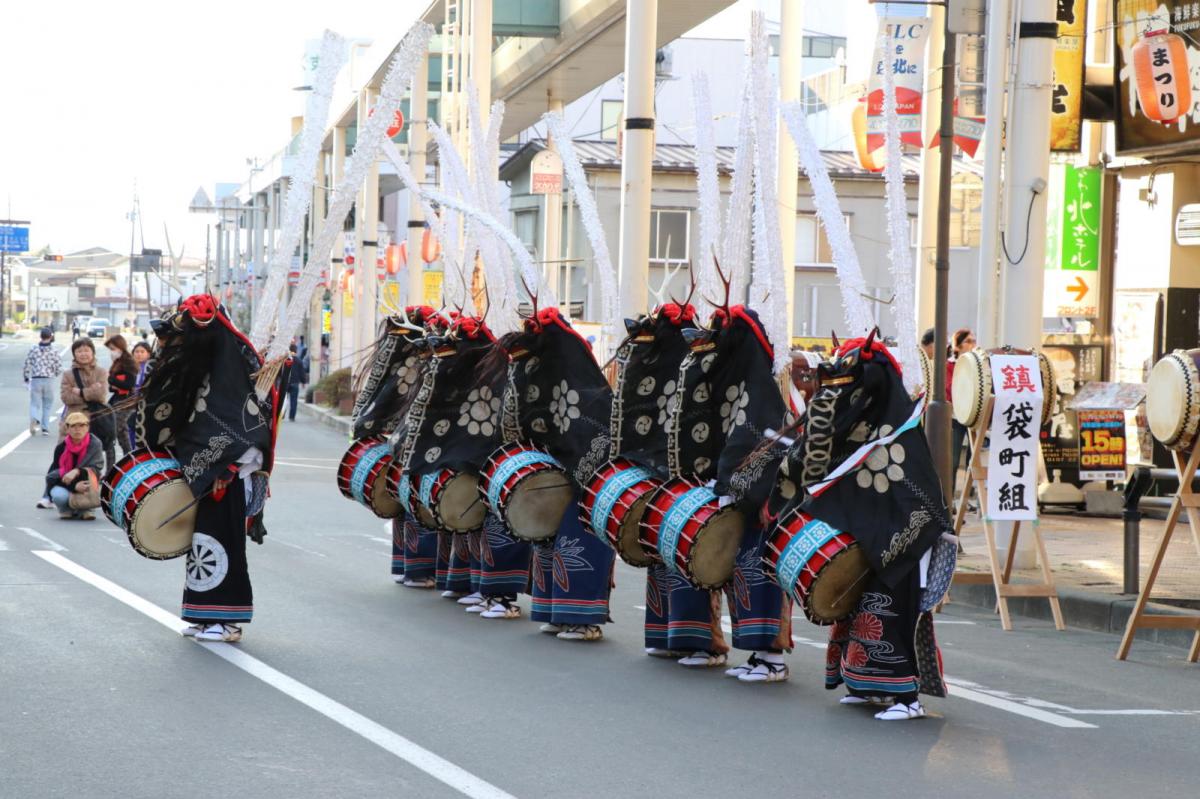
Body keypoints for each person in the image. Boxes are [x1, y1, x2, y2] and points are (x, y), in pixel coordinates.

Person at [137, 295, 280, 643]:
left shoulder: (236, 370)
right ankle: (202, 615)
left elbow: (252, 429)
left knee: (225, 542)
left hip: (231, 473)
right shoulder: (203, 368)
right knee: (201, 543)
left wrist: (228, 467)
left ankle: (228, 620)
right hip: (204, 473)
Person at [42, 412, 105, 520]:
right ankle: (66, 509)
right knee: (58, 495)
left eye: (81, 425)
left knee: (93, 486)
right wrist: (74, 486)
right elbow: (53, 476)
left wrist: (77, 471)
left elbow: (96, 469)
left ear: (88, 427)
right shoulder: (61, 447)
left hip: (88, 482)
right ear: (67, 428)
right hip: (67, 483)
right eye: (73, 426)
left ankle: (86, 509)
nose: (77, 429)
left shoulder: (95, 444)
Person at [947, 328, 976, 493]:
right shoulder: (949, 365)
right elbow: (949, 389)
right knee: (954, 458)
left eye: (973, 341)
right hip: (956, 416)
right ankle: (950, 499)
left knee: (973, 459)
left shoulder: (979, 365)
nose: (972, 345)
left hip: (975, 416)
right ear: (957, 346)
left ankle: (968, 496)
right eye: (968, 341)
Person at [23, 327, 61, 436]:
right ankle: (45, 428)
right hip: (48, 379)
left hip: (36, 379)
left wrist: (26, 377)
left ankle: (34, 418)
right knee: (47, 404)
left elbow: (27, 364)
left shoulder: (34, 349)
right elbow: (58, 366)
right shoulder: (54, 350)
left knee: (34, 403)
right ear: (51, 337)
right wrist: (56, 373)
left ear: (41, 336)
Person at [105, 334, 137, 455]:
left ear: (120, 347)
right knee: (122, 433)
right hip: (118, 398)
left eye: (113, 348)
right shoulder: (117, 362)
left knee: (112, 432)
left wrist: (112, 380)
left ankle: (111, 466)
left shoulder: (128, 362)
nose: (111, 352)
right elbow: (112, 387)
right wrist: (113, 384)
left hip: (126, 401)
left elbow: (129, 384)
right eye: (110, 349)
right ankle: (128, 458)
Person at [286, 342, 308, 421]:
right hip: (295, 383)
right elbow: (302, 372)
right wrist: (303, 382)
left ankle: (281, 415)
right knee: (294, 400)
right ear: (296, 351)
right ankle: (292, 417)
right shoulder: (298, 360)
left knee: (283, 400)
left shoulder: (285, 359)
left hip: (286, 383)